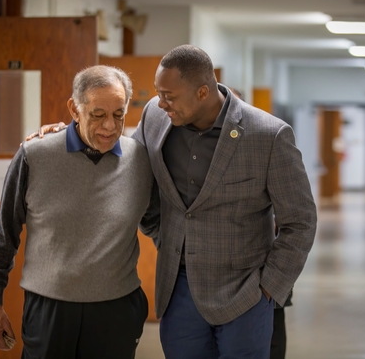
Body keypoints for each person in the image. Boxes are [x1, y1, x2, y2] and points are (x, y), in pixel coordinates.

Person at [36, 45, 317, 359]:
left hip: (245, 292)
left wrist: (270, 288)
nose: (160, 102)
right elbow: (128, 169)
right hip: (178, 289)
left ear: (201, 92)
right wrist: (68, 136)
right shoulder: (156, 117)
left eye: (169, 95)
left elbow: (301, 220)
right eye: (158, 92)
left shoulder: (268, 135)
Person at [0, 65, 156, 358]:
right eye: (98, 115)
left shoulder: (140, 159)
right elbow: (4, 234)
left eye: (118, 114)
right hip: (50, 309)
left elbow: (163, 225)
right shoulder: (34, 155)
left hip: (117, 310)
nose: (110, 127)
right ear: (74, 110)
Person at [229, 86, 292, 359]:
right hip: (209, 281)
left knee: (270, 344)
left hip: (262, 274)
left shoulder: (266, 143)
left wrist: (272, 283)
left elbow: (295, 218)